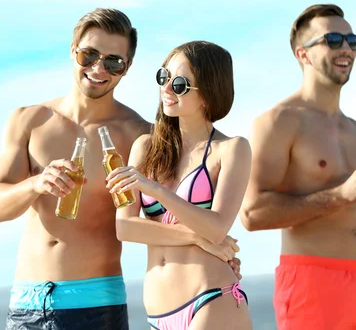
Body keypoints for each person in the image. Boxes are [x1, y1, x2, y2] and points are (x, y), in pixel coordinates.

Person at [0, 8, 242, 330]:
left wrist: (209, 245)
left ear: (127, 68)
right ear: (72, 50)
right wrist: (36, 184)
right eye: (89, 55)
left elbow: (166, 215)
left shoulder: (141, 136)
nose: (98, 68)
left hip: (98, 303)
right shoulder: (29, 121)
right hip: (27, 302)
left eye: (113, 61)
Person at [240, 4, 356, 329]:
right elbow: (252, 213)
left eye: (352, 40)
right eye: (332, 40)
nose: (345, 48)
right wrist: (340, 195)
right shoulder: (278, 122)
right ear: (303, 54)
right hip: (315, 283)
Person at [106, 41, 253, 330]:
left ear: (208, 94)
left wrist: (156, 190)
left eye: (181, 84)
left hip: (211, 300)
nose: (167, 88)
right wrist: (196, 238)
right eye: (164, 77)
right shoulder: (145, 147)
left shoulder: (231, 149)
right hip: (159, 314)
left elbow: (216, 227)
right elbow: (125, 228)